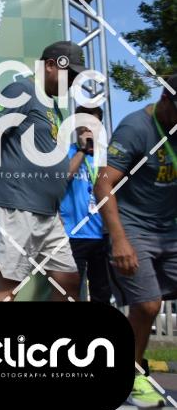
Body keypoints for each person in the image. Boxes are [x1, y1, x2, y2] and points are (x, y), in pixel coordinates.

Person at [0, 41, 83, 303]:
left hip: (47, 213)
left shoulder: (53, 107)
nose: (72, 81)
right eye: (70, 74)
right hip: (15, 206)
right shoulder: (22, 90)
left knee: (68, 281)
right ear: (50, 65)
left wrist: (55, 206)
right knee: (7, 287)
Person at [95, 74, 177, 408]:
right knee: (147, 305)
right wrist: (119, 240)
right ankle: (132, 375)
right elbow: (103, 184)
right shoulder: (135, 128)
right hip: (132, 228)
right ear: (165, 99)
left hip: (169, 228)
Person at [60, 105, 111, 304]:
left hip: (102, 235)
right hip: (73, 234)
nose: (89, 127)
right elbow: (62, 178)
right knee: (69, 291)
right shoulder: (66, 151)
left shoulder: (107, 156)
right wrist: (82, 150)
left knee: (102, 293)